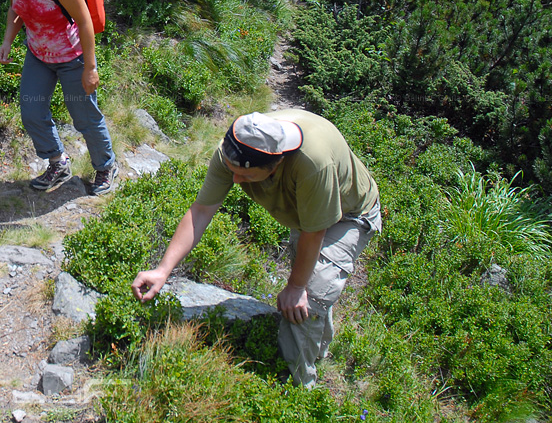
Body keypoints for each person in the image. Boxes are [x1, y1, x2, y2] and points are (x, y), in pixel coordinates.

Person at [131, 109, 381, 388]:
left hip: (350, 214)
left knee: (311, 293)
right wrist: (163, 270)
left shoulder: (312, 163)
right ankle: (315, 350)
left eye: (246, 177)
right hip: (305, 213)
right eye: (233, 173)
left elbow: (315, 231)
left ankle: (298, 387)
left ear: (275, 166)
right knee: (311, 289)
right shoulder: (234, 151)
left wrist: (296, 287)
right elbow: (201, 211)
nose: (236, 181)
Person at [0, 0, 117, 195]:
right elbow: (17, 7)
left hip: (72, 57)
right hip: (38, 56)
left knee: (84, 117)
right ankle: (58, 162)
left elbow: (83, 20)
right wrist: (7, 40)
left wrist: (90, 67)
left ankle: (105, 167)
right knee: (32, 112)